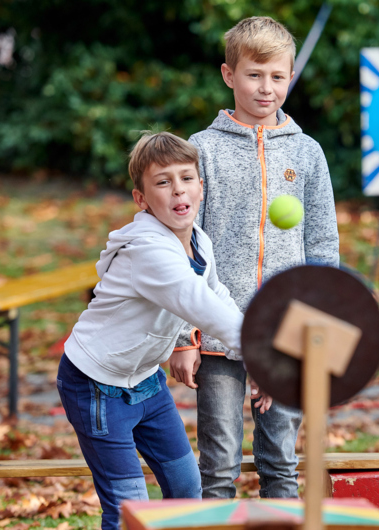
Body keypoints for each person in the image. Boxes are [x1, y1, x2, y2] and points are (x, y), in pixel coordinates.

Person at [168, 16, 340, 499]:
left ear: (290, 77)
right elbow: (181, 247)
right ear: (229, 75)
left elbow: (323, 248)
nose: (266, 88)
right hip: (218, 334)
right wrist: (184, 337)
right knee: (218, 468)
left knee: (281, 465)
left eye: (278, 77)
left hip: (287, 334)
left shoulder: (308, 153)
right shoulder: (201, 151)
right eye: (254, 75)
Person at [56, 132, 246, 529]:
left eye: (187, 178)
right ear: (141, 200)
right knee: (129, 509)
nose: (179, 190)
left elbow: (217, 294)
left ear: (200, 186)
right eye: (163, 182)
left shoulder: (198, 241)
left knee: (186, 487)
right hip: (95, 385)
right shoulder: (149, 250)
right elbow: (198, 303)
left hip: (145, 381)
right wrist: (262, 349)